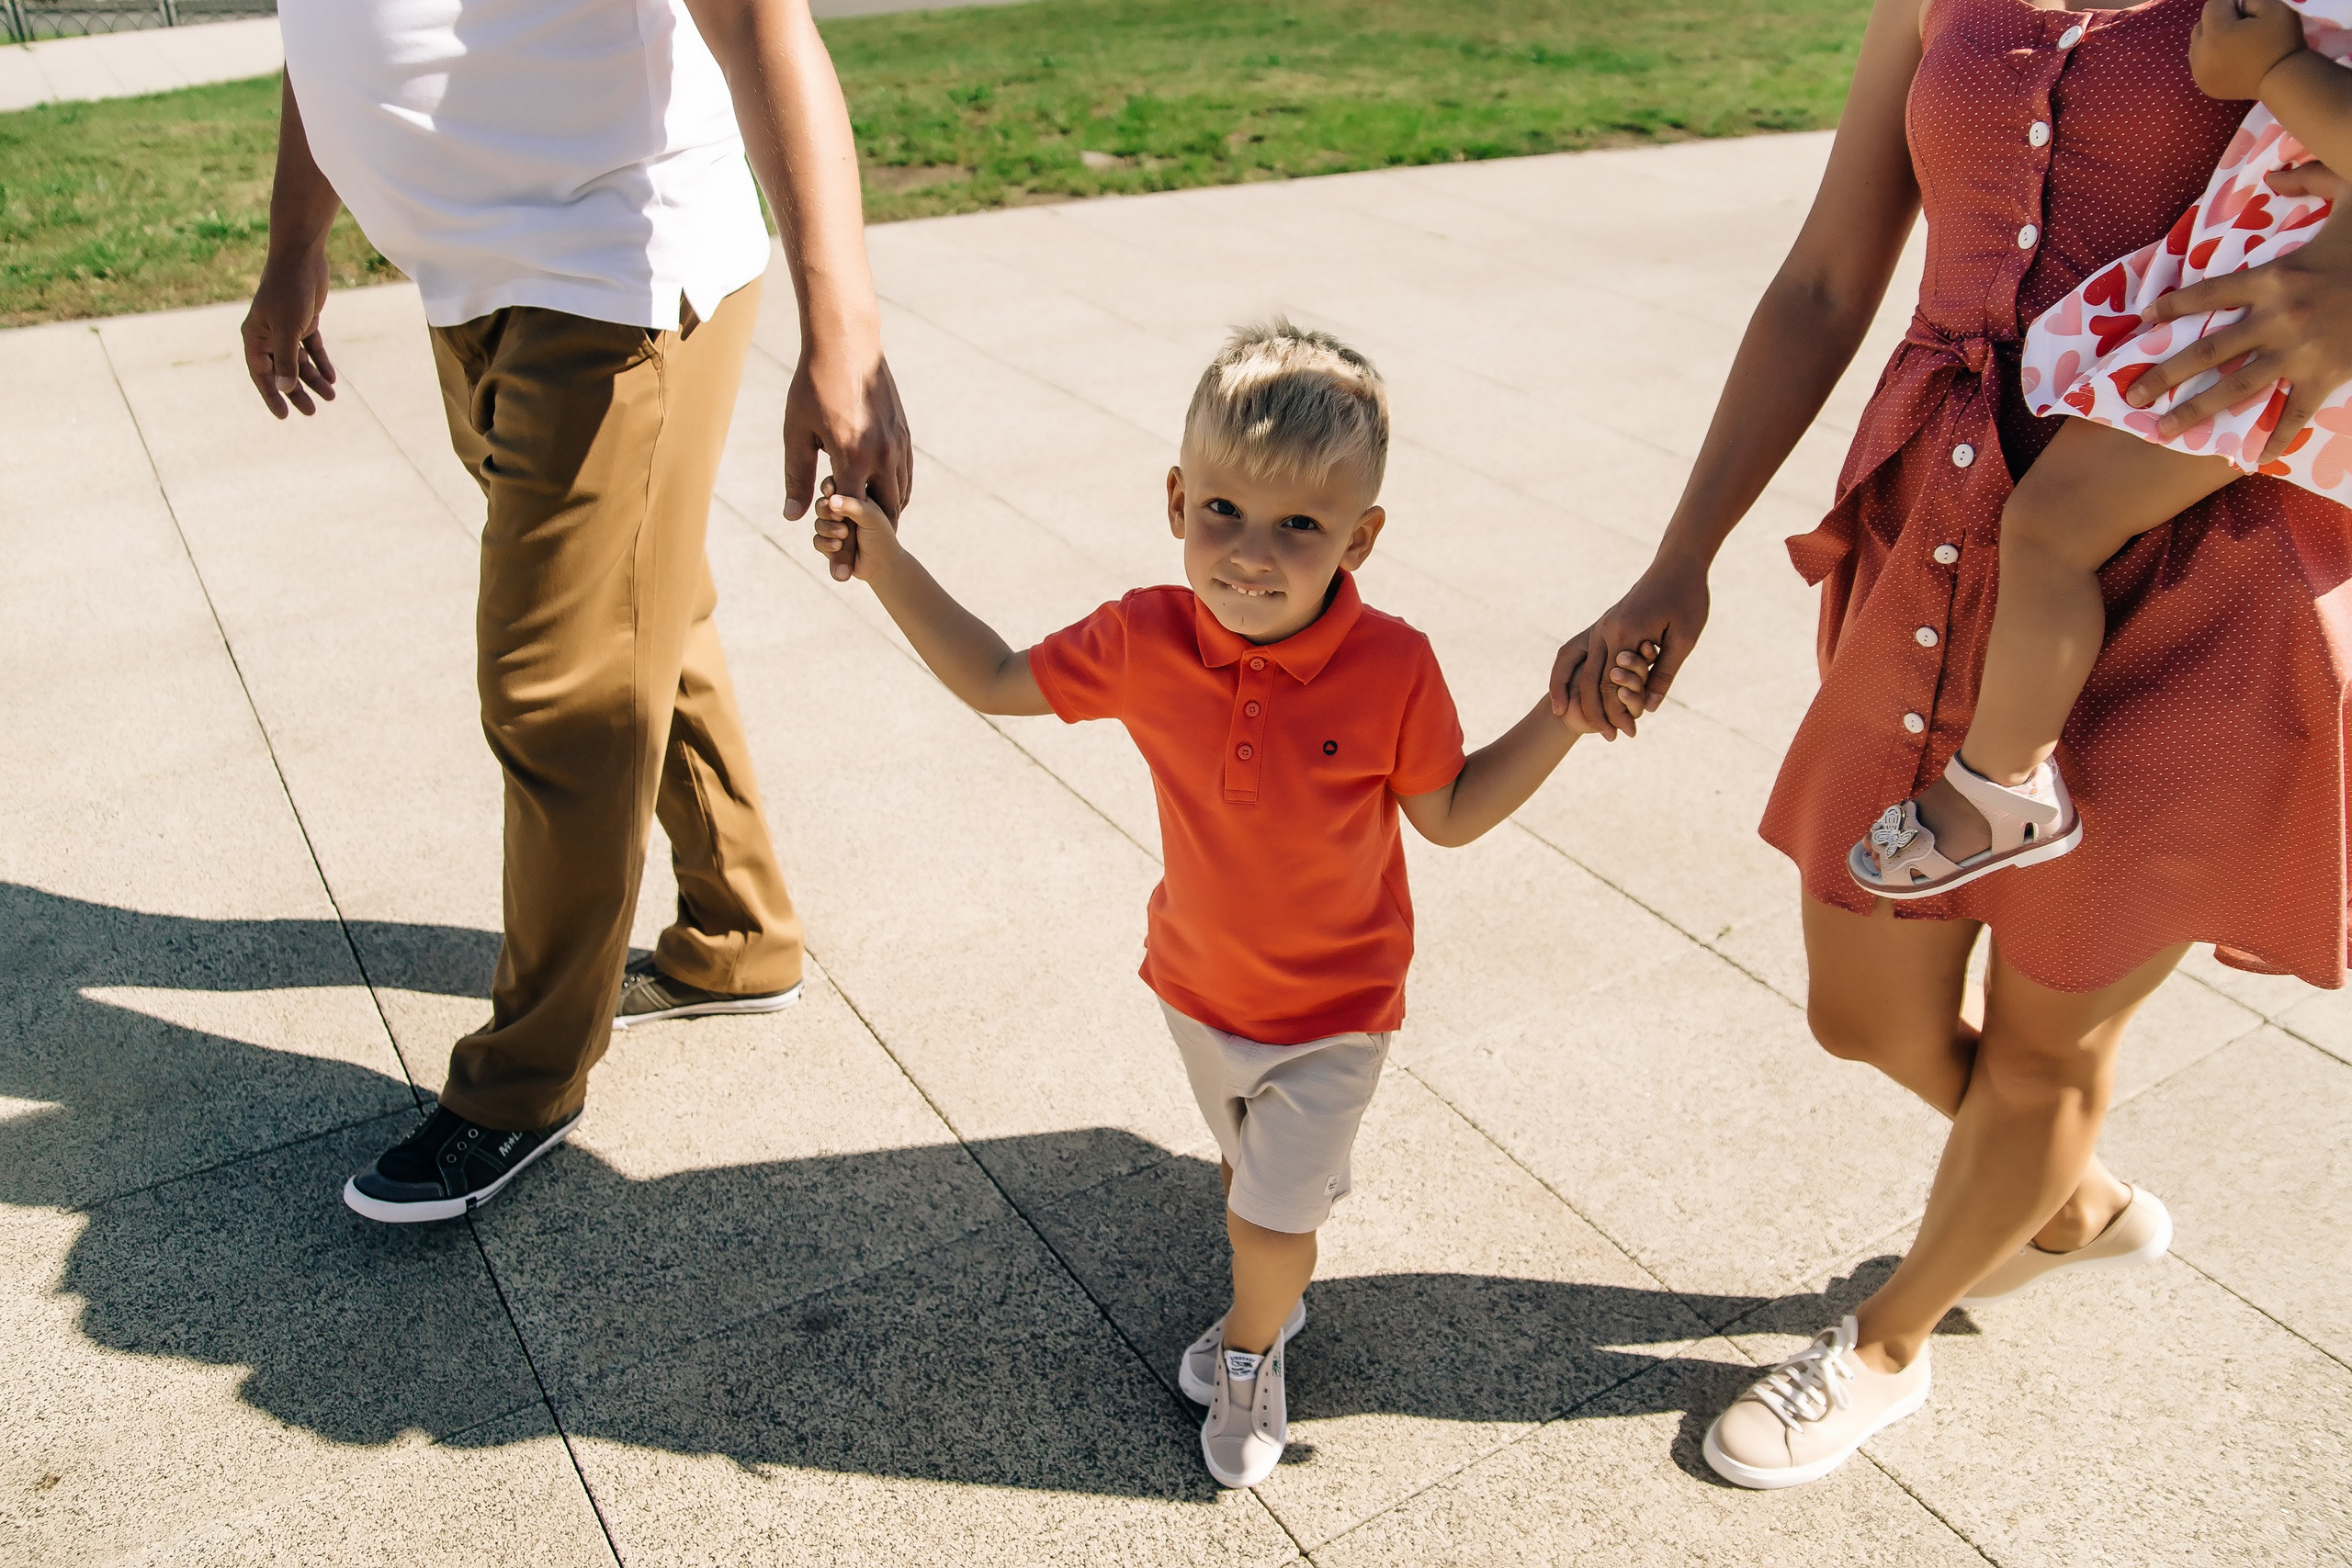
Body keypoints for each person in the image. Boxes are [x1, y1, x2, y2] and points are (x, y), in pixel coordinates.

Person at [1549, 0, 2352, 1490]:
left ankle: (1887, 1342)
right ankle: (2067, 1201)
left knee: (2056, 1040)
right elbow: (1823, 281)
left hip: (2187, 578)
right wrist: (1683, 554)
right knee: (1863, 1005)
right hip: (1931, 545)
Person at [810, 321, 1643, 1488]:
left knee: (1264, 1217)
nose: (1251, 554)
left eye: (1299, 525)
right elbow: (999, 679)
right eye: (1223, 512)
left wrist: (1563, 715)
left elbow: (1447, 814)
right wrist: (888, 560)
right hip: (1195, 984)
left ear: (1361, 537)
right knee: (1244, 1172)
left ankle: (1253, 1344)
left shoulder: (1395, 666)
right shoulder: (1146, 636)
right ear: (1174, 500)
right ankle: (1279, 1249)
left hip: (1338, 1006)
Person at [238, 0, 913, 1223]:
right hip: (469, 279)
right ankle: (740, 930)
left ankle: (525, 1084)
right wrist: (296, 242)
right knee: (639, 609)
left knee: (558, 686)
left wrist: (846, 332)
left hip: (615, 269)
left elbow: (763, 23)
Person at [1853, 0, 2352, 899]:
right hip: (2234, 295)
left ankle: (2001, 783)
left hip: (2267, 329)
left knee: (2049, 526)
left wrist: (2274, 71)